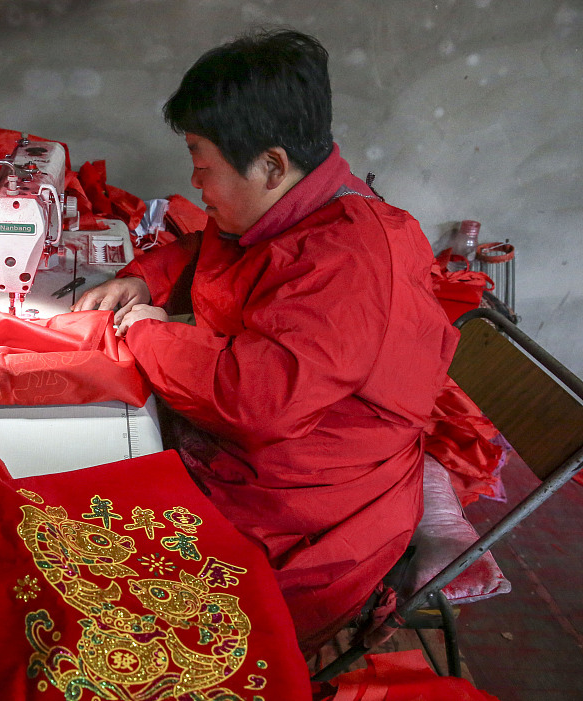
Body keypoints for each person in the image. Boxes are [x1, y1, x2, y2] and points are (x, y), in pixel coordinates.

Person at [72, 29, 459, 655]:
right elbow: (208, 248)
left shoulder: (348, 258)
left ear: (272, 165)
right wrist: (142, 277)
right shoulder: (282, 207)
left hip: (305, 513)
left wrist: (145, 331)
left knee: (112, 598)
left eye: (202, 163)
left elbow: (256, 398)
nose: (195, 181)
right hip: (265, 458)